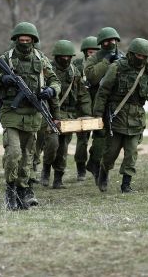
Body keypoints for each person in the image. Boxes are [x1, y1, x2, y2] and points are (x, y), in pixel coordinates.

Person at [0, 22, 60, 210]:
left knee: (27, 157)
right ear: (15, 40)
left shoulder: (41, 59)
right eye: (21, 40)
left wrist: (50, 90)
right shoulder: (5, 59)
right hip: (11, 113)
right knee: (13, 152)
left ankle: (23, 192)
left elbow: (55, 80)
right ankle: (10, 193)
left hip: (33, 115)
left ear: (33, 40)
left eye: (28, 40)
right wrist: (2, 79)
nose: (24, 43)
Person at [93, 38, 148, 192]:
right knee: (110, 153)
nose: (142, 59)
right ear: (131, 54)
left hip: (136, 119)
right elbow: (103, 92)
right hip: (116, 118)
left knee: (131, 154)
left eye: (145, 57)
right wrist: (98, 115)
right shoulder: (116, 67)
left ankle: (126, 184)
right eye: (139, 56)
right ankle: (104, 172)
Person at [40, 40, 91, 189]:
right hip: (50, 114)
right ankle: (46, 169)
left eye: (68, 56)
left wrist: (87, 114)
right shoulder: (47, 70)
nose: (65, 59)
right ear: (56, 56)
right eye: (62, 56)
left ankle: (58, 178)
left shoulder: (75, 72)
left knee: (63, 148)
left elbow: (82, 95)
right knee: (52, 144)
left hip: (69, 115)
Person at [83, 27, 124, 184]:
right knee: (100, 136)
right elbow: (92, 76)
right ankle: (95, 163)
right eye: (107, 41)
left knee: (112, 139)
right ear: (101, 42)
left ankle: (101, 167)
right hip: (98, 102)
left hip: (116, 104)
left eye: (113, 40)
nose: (110, 43)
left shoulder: (122, 56)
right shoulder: (94, 58)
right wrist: (106, 61)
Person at [73, 36, 99, 181]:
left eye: (96, 52)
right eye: (90, 52)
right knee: (82, 140)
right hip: (81, 108)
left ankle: (94, 163)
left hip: (98, 106)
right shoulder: (77, 65)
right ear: (85, 52)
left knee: (99, 139)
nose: (93, 54)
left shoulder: (103, 65)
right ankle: (80, 168)